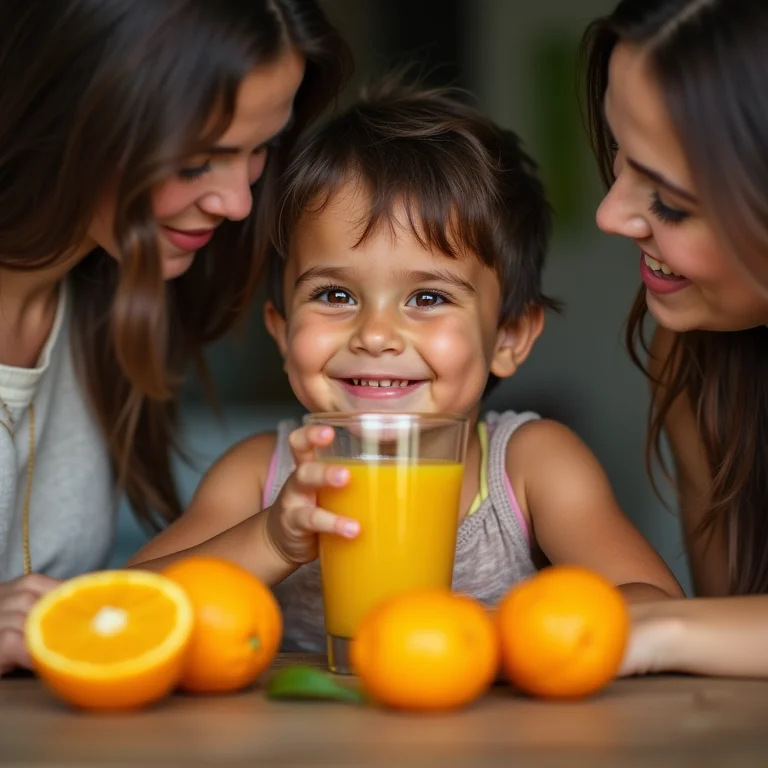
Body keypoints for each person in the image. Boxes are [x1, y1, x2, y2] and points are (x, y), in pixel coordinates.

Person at [130, 77, 683, 651]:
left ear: (509, 337)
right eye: (335, 295)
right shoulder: (259, 477)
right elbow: (123, 607)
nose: (375, 335)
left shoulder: (531, 467)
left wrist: (479, 640)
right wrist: (269, 540)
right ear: (282, 331)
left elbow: (658, 604)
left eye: (428, 297)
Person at [0, 0, 350, 675]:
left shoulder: (104, 304)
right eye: (195, 163)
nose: (237, 203)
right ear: (71, 120)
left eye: (259, 149)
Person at [583, 0, 768, 676]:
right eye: (618, 150)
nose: (609, 215)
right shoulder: (698, 364)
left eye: (671, 202)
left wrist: (654, 630)